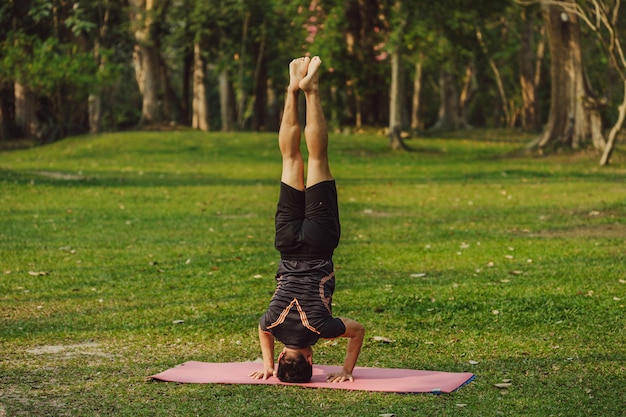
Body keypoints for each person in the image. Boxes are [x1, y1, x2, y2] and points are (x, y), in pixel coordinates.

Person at [249, 56, 365, 384]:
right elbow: (262, 329)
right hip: (286, 244)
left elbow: (357, 332)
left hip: (319, 243)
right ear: (286, 356)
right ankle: (291, 89)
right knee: (290, 158)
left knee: (317, 158)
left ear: (311, 360)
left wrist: (345, 370)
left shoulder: (322, 330)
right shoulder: (271, 322)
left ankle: (311, 91)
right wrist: (268, 364)